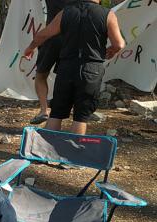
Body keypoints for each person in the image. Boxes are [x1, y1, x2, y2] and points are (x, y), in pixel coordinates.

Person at [24, 0, 125, 134]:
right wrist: (111, 50)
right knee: (80, 118)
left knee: (56, 114)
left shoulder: (65, 12)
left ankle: (47, 150)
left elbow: (43, 34)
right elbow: (119, 44)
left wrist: (30, 48)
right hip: (91, 69)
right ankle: (73, 151)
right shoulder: (108, 14)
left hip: (66, 67)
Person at [30, 0, 69, 125]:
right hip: (71, 39)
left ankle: (44, 110)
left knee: (41, 75)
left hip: (51, 37)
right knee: (65, 77)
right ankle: (62, 111)